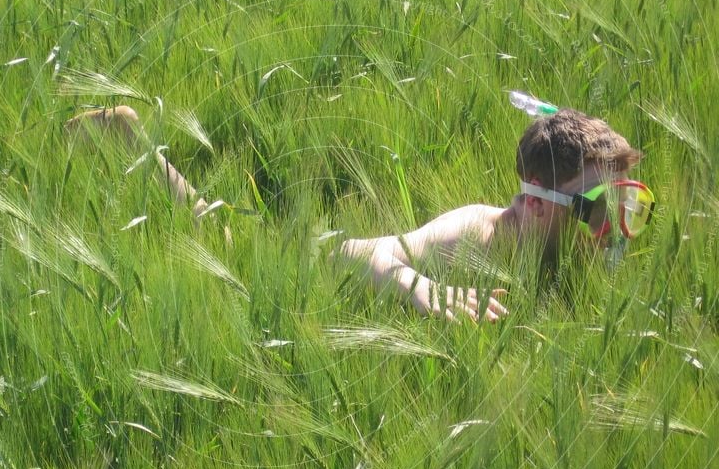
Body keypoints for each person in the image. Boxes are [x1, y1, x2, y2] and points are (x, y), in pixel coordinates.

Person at [65, 105, 654, 324]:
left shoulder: (578, 252)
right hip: (313, 265)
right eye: (602, 211)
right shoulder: (475, 233)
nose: (619, 231)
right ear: (533, 205)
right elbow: (375, 253)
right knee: (215, 231)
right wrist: (415, 283)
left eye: (632, 204)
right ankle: (132, 141)